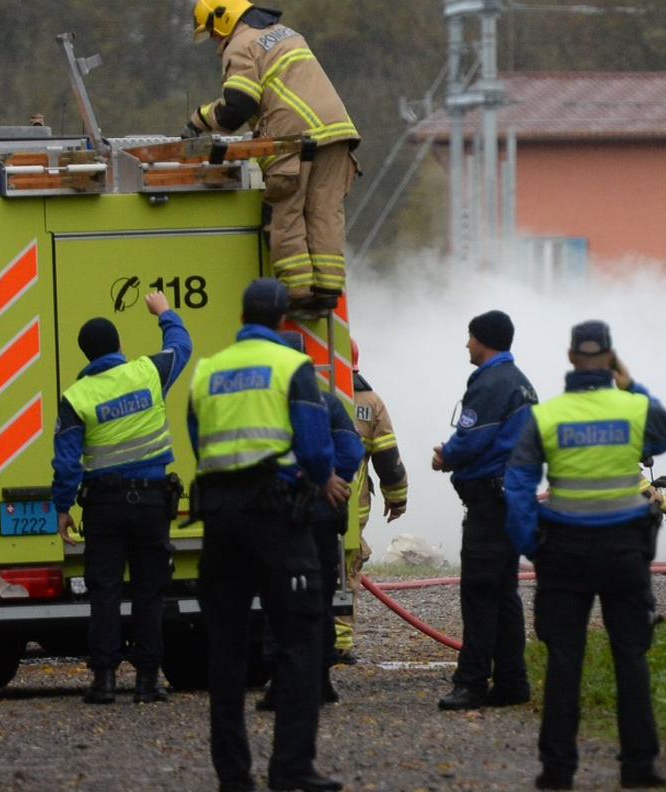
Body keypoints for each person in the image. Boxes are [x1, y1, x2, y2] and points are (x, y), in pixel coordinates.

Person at [504, 321, 666, 790]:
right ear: (609, 358)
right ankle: (639, 767)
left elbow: (519, 484)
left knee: (564, 659)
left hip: (563, 551)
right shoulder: (633, 406)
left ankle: (558, 770)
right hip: (624, 550)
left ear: (569, 356)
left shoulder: (548, 416)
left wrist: (530, 544)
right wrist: (629, 382)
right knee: (631, 656)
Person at [188, 278, 347, 792]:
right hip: (277, 519)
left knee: (227, 651)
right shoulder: (291, 367)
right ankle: (291, 768)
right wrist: (319, 480)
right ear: (283, 321)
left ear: (242, 316)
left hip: (220, 521)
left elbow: (199, 440)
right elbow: (316, 446)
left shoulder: (206, 372)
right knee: (300, 642)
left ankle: (233, 776)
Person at [52, 291, 192, 705]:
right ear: (117, 346)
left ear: (86, 353)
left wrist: (63, 508)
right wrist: (165, 313)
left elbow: (66, 463)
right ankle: (149, 681)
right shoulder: (148, 372)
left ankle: (104, 681)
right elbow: (182, 347)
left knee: (106, 591)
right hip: (151, 503)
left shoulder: (76, 397)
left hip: (103, 507)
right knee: (150, 590)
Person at [187, 1, 360, 309]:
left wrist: (198, 120)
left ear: (223, 18)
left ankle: (298, 294)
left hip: (293, 139)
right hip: (336, 132)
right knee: (324, 211)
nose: (215, 42)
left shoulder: (241, 45)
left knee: (285, 211)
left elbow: (237, 107)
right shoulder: (286, 34)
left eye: (213, 33)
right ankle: (329, 290)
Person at [432, 310, 537, 710]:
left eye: (470, 337)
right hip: (512, 500)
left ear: (484, 340)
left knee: (478, 591)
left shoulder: (491, 382)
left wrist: (446, 456)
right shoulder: (520, 382)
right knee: (503, 593)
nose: (466, 344)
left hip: (490, 504)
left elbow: (473, 438)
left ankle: (471, 682)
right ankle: (512, 682)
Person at [255, 331, 364, 711]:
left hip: (280, 516)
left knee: (277, 599)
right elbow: (352, 451)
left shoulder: (265, 406)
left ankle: (280, 683)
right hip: (321, 517)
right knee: (317, 597)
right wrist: (330, 483)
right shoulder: (330, 404)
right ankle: (321, 680)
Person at [336, 339, 409, 664]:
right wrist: (397, 498)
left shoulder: (305, 392)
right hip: (352, 510)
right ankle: (340, 642)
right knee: (346, 570)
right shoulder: (370, 402)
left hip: (308, 504)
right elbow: (387, 458)